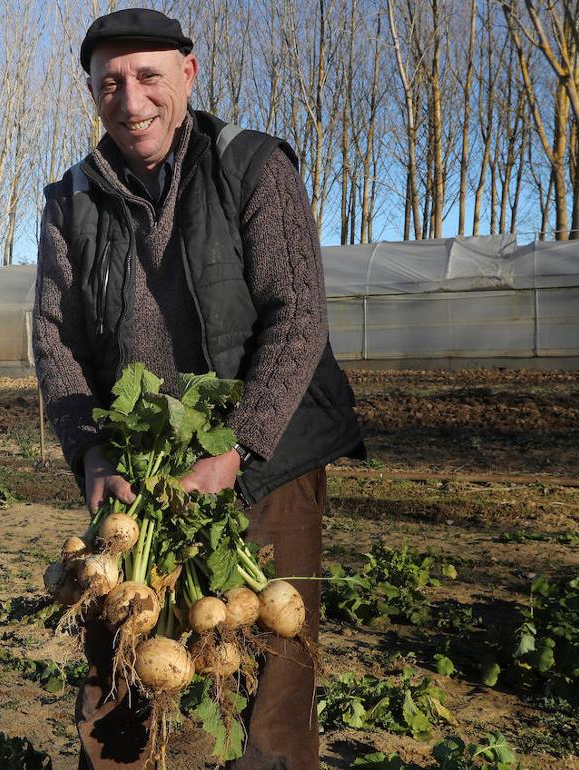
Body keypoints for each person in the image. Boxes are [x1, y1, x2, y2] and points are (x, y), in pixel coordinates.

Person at [32, 8, 366, 770]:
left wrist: (239, 446)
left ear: (188, 73)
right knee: (119, 651)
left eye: (148, 75)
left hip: (268, 452)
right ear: (90, 92)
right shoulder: (70, 199)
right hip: (141, 466)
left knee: (272, 667)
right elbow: (56, 339)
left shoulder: (251, 166)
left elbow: (298, 315)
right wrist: (87, 451)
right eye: (109, 82)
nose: (131, 98)